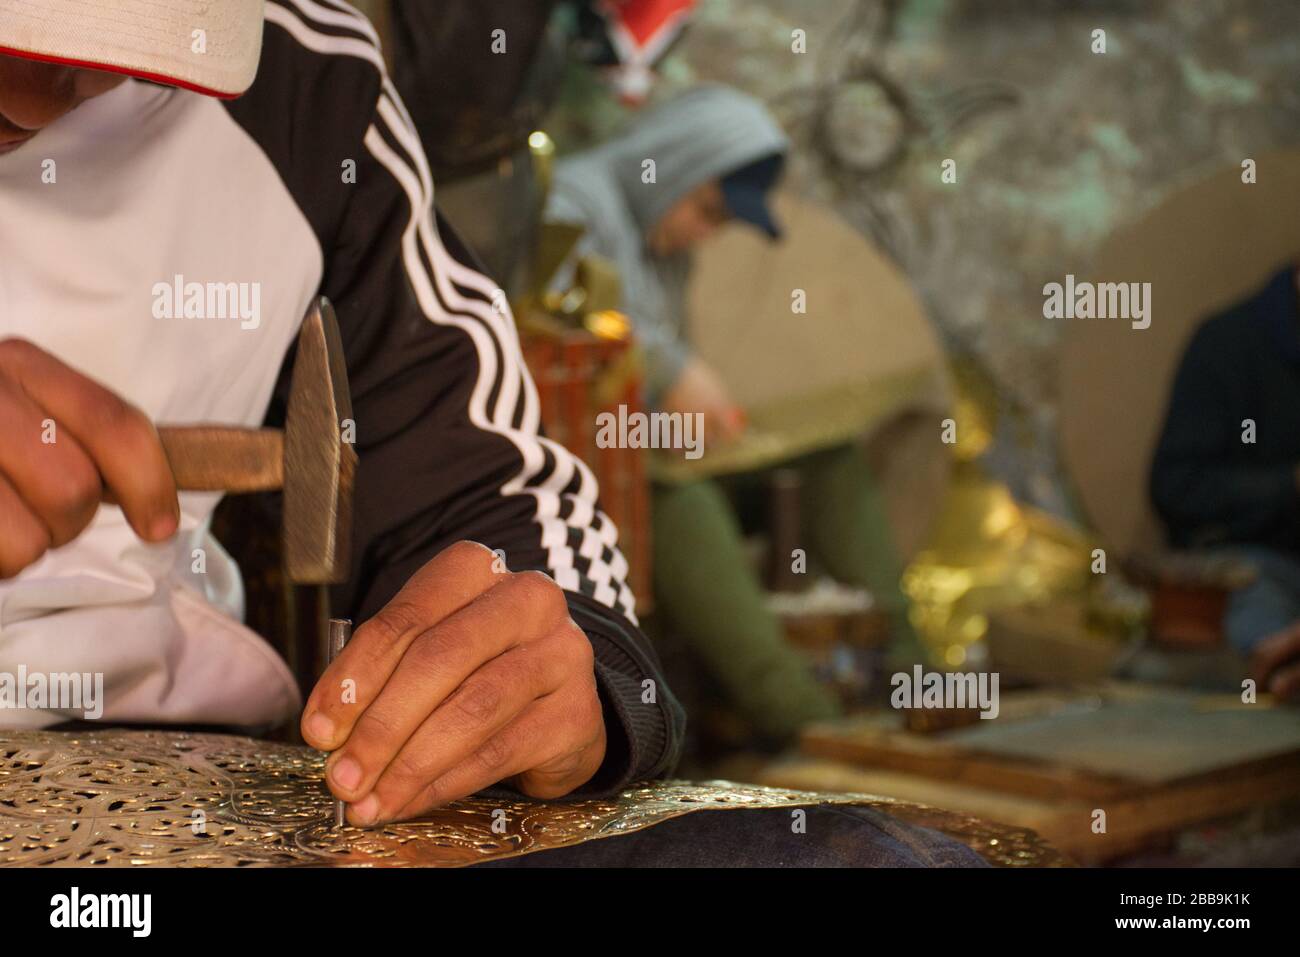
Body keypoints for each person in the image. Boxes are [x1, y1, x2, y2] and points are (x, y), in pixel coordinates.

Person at [0, 0, 983, 866]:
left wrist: (557, 681)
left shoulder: (307, 82)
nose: (72, 84)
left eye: (138, 33)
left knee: (867, 859)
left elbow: (501, 503)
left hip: (179, 765)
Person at [545, 85, 918, 743]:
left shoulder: (668, 248)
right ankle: (804, 725)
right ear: (672, 166)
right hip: (580, 471)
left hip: (644, 452)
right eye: (707, 211)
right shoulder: (573, 201)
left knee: (830, 461)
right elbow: (560, 329)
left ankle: (914, 679)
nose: (706, 233)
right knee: (680, 501)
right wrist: (675, 371)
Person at [1150, 263, 1300, 701]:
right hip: (1259, 565)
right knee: (1260, 626)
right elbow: (1176, 487)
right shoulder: (1229, 343)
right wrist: (1288, 485)